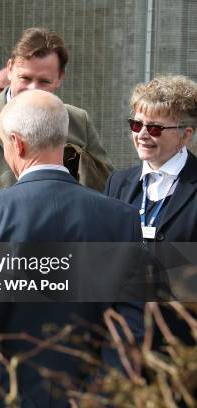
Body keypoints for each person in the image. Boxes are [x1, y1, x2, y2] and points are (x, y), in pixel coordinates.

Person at [0, 90, 144, 407]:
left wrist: (10, 399)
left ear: (18, 144)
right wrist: (95, 398)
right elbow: (128, 329)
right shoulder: (122, 219)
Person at [0, 27, 113, 196]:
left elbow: (106, 188)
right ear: (10, 69)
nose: (33, 88)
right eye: (25, 78)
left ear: (60, 78)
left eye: (44, 81)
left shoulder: (77, 121)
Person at [104, 75, 197, 348]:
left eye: (155, 128)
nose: (142, 134)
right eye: (136, 124)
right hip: (124, 336)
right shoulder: (118, 182)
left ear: (185, 135)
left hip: (182, 340)